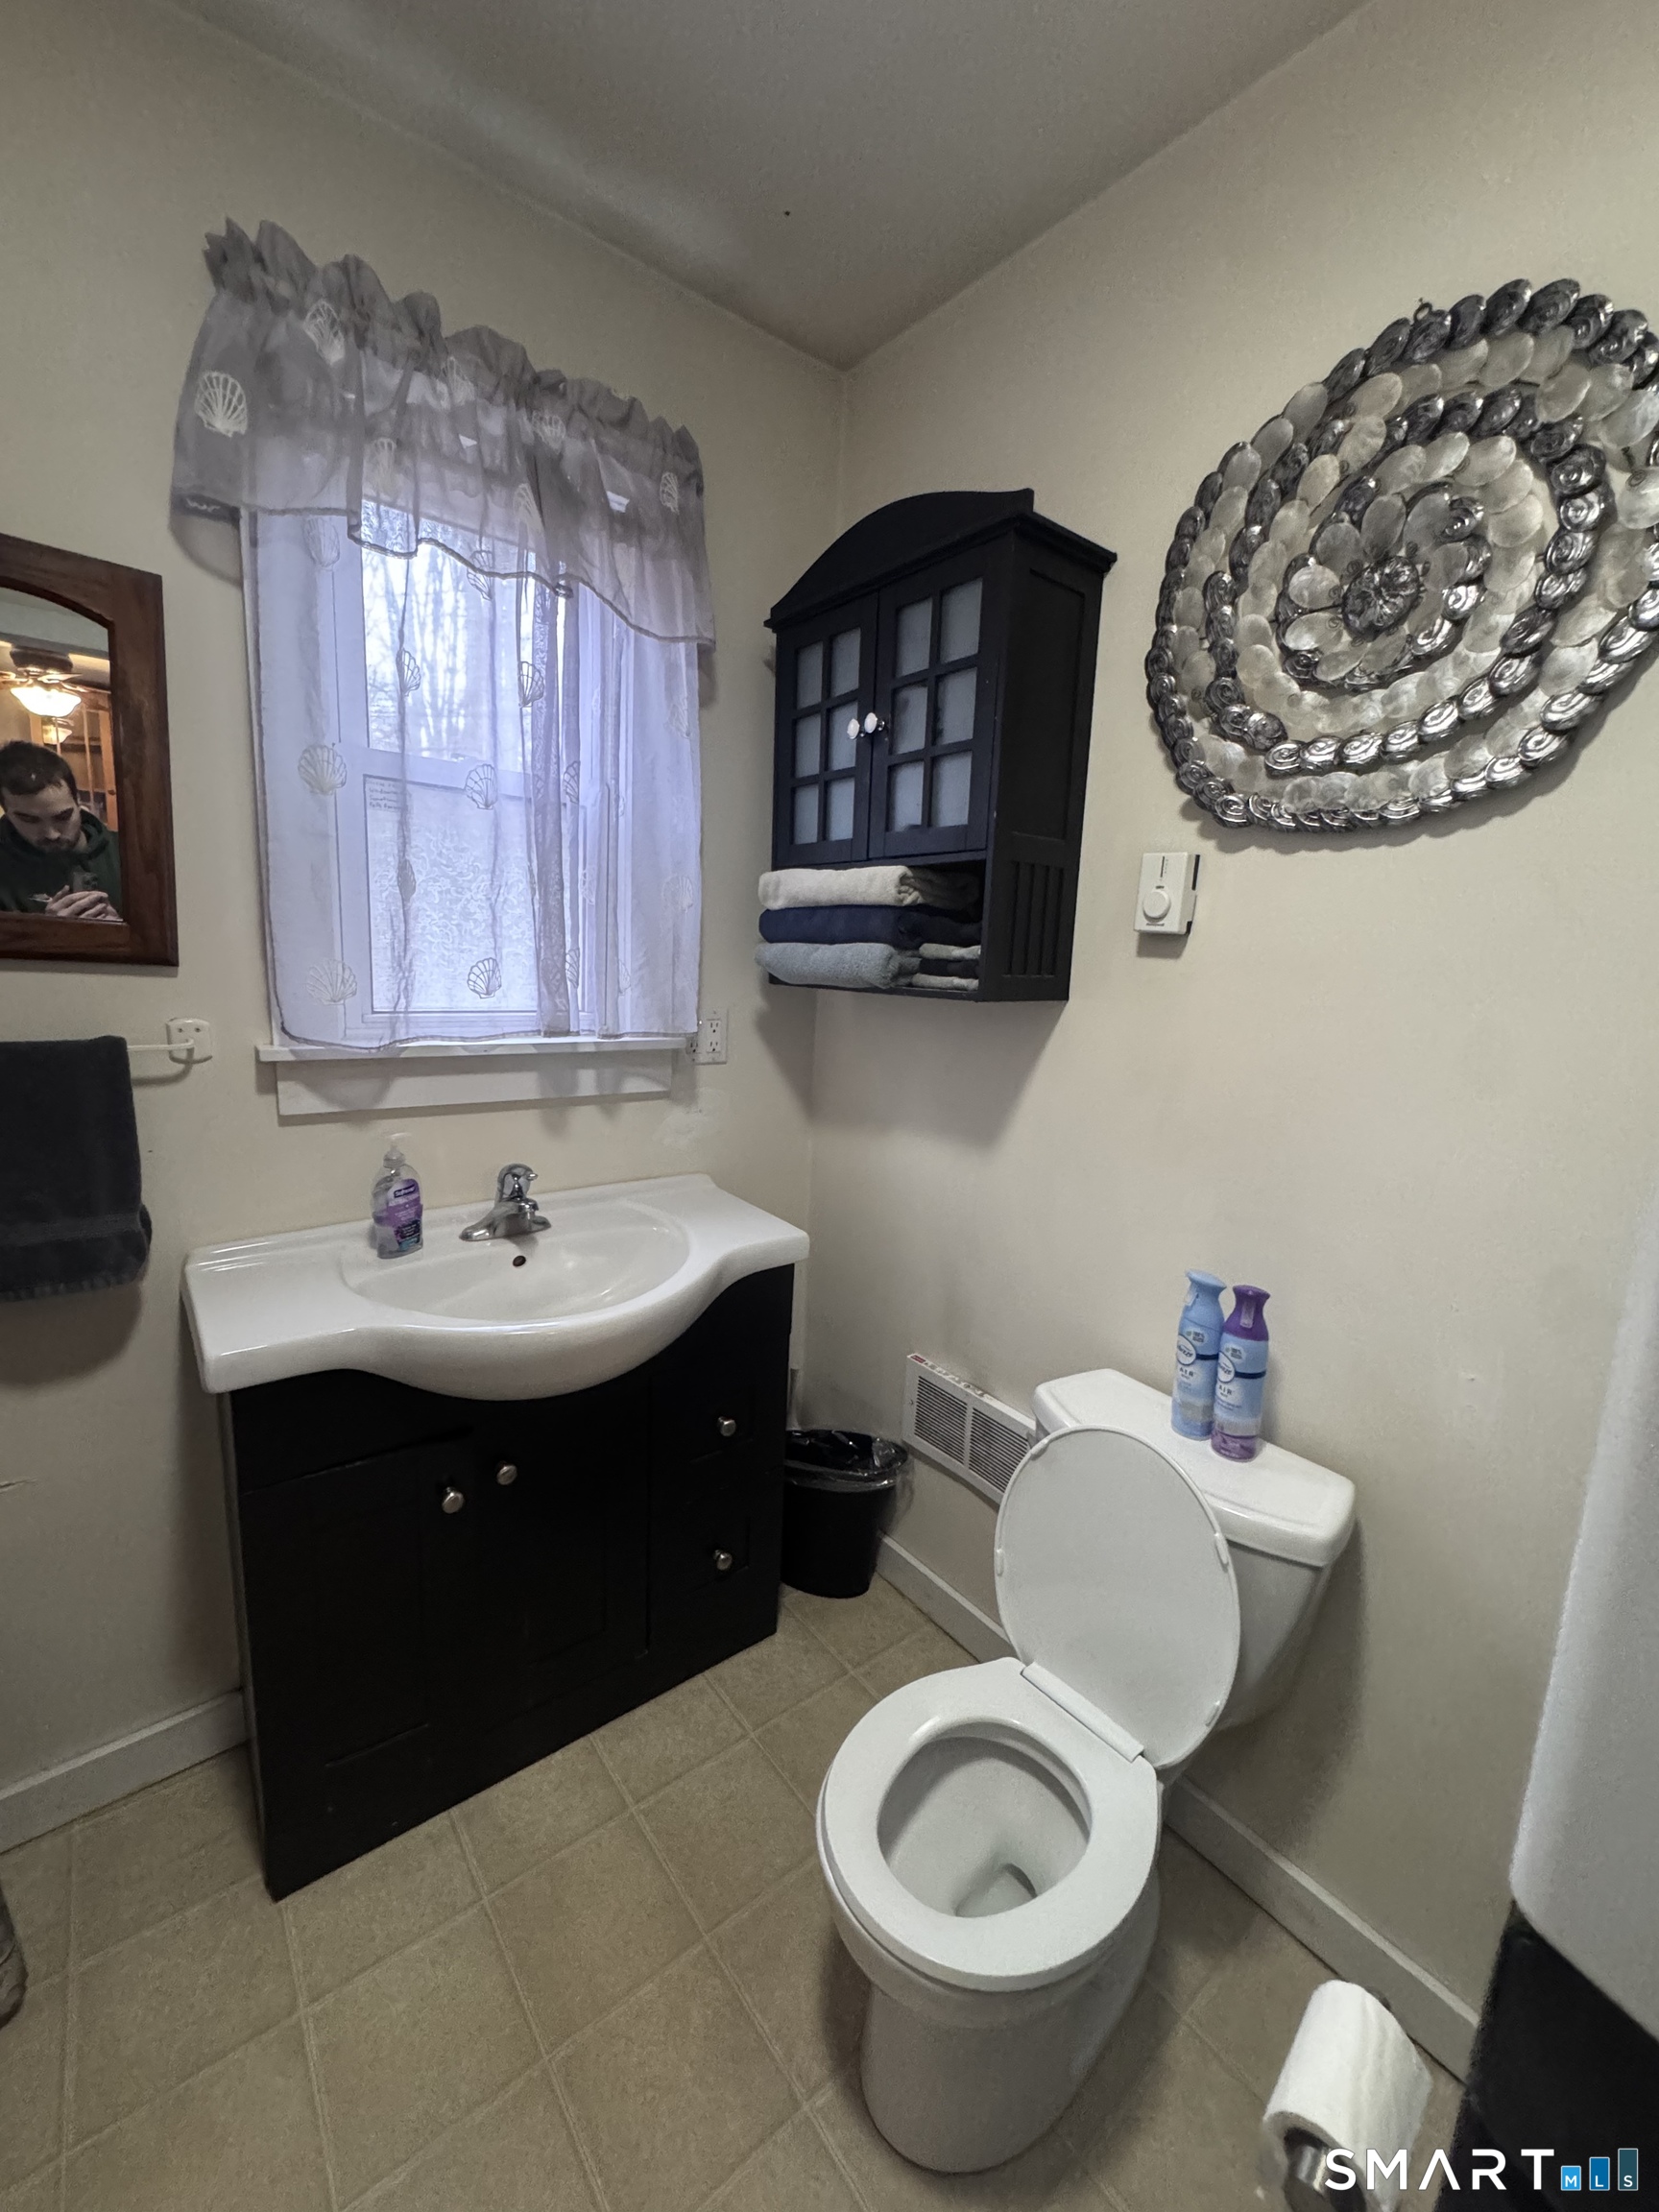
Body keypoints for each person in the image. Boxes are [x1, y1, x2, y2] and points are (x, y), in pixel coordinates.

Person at [0, 741, 122, 921]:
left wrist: (124, 931)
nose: (51, 833)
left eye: (63, 817)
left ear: (78, 802)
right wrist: (50, 933)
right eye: (29, 820)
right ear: (7, 812)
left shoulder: (128, 851)